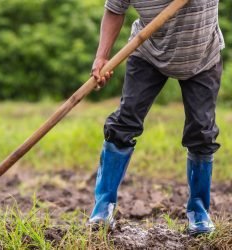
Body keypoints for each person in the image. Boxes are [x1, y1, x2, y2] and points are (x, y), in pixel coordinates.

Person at [89, 0, 224, 236]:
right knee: (124, 124)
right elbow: (114, 9)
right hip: (148, 53)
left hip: (202, 56)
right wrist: (102, 57)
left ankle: (199, 212)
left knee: (202, 132)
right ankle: (102, 209)